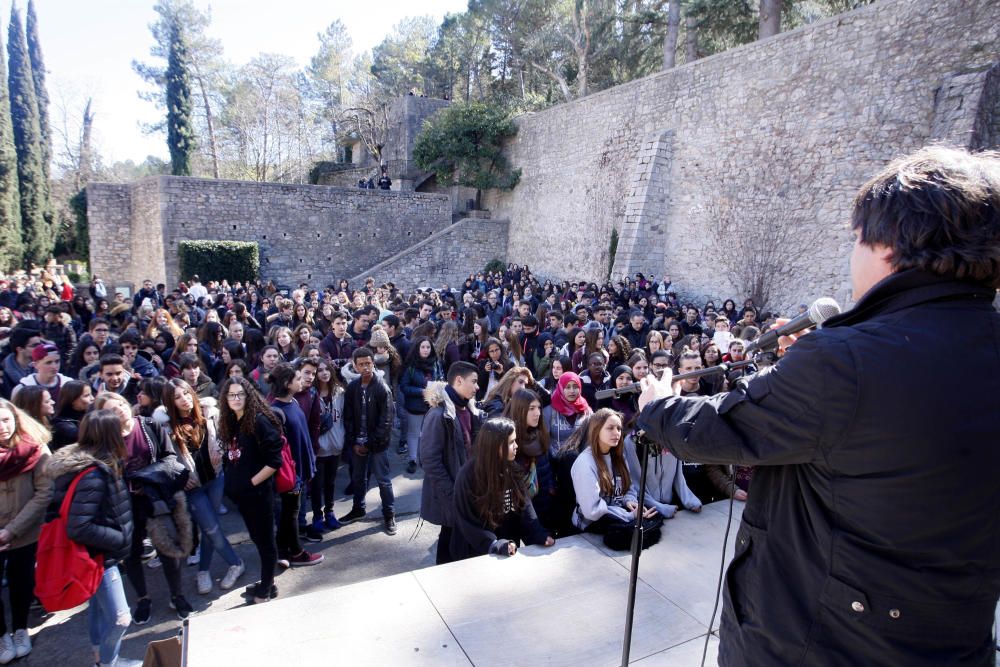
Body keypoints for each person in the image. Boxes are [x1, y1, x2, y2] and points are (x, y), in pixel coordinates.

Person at [635, 146, 1000, 666]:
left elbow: (723, 428)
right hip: (951, 642)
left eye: (855, 240)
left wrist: (660, 406)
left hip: (818, 643)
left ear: (890, 245)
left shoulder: (844, 362)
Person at [45, 410, 138, 667]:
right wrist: (118, 539)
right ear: (109, 435)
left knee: (97, 609)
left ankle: (99, 654)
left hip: (99, 555)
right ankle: (109, 662)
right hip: (100, 558)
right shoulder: (95, 475)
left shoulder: (96, 464)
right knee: (121, 618)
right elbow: (80, 526)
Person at [94, 391, 191, 623]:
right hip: (124, 506)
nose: (118, 409)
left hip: (155, 498)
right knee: (132, 554)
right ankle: (143, 598)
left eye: (120, 403)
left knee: (169, 550)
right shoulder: (105, 440)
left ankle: (177, 595)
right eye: (111, 409)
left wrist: (143, 478)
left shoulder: (149, 425)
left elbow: (170, 459)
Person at [161, 379, 245, 596]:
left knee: (210, 528)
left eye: (187, 394)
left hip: (216, 479)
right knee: (211, 528)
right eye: (178, 397)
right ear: (170, 401)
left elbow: (225, 439)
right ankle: (236, 562)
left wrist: (223, 451)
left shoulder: (210, 415)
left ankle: (203, 570)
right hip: (192, 487)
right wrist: (178, 475)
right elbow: (162, 459)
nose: (185, 400)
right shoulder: (165, 426)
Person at [450, 417, 554, 560]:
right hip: (474, 554)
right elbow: (467, 521)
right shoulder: (468, 476)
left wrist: (538, 534)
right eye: (511, 442)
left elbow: (524, 506)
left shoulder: (512, 468)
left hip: (508, 548)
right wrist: (494, 544)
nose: (516, 446)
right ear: (495, 445)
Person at [0, 399, 51, 662]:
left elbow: (44, 492)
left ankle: (20, 628)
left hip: (25, 530)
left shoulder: (35, 448)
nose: (2, 427)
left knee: (21, 582)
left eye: (6, 420)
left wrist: (12, 530)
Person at [419, 361, 482, 564]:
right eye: (474, 381)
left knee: (460, 540)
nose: (477, 387)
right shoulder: (438, 415)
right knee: (450, 539)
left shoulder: (469, 410)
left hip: (469, 490)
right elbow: (429, 460)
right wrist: (452, 492)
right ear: (458, 380)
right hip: (452, 493)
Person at [266, 364, 323, 565]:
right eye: (297, 378)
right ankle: (297, 553)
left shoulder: (294, 403)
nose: (302, 381)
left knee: (290, 514)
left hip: (300, 470)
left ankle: (281, 551)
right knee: (290, 515)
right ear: (286, 383)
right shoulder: (275, 412)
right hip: (290, 475)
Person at [339, 347, 396, 535]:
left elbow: (386, 422)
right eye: (361, 364)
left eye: (368, 363)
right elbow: (347, 418)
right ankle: (358, 509)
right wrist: (354, 442)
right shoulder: (352, 388)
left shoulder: (382, 387)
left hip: (377, 445)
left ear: (373, 363)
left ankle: (389, 514)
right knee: (358, 478)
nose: (365, 367)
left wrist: (369, 444)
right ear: (354, 366)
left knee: (383, 481)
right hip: (358, 442)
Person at [398, 336, 443, 474]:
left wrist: (439, 388)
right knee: (414, 433)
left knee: (428, 434)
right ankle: (413, 459)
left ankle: (425, 458)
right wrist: (421, 391)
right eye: (422, 347)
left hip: (433, 405)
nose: (425, 350)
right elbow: (404, 387)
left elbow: (441, 377)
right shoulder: (411, 365)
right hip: (415, 405)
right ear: (418, 348)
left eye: (428, 347)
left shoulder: (436, 363)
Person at [51, 380, 94, 450]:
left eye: (91, 394)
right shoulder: (65, 427)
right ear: (72, 400)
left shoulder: (87, 416)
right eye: (87, 395)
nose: (92, 398)